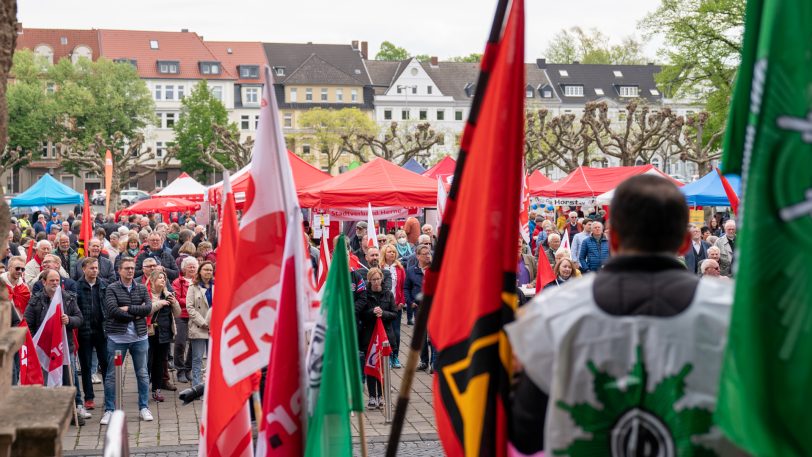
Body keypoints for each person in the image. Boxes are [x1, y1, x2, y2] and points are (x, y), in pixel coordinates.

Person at [506, 174, 733, 455]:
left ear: (612, 237)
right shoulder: (732, 314)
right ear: (685, 242)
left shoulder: (554, 313)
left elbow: (524, 432)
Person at [25, 269, 87, 425]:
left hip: (65, 348)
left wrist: (69, 320)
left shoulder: (68, 298)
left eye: (57, 280)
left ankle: (71, 412)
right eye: (51, 280)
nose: (55, 283)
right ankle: (48, 415)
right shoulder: (35, 300)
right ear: (44, 282)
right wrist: (37, 341)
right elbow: (27, 323)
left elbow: (79, 319)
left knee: (68, 382)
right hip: (44, 350)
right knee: (47, 384)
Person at [100, 257, 154, 425]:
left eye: (132, 268)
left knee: (143, 373)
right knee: (113, 375)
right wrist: (137, 314)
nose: (130, 271)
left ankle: (144, 407)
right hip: (118, 340)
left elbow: (148, 308)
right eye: (127, 268)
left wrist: (130, 309)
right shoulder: (111, 288)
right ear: (119, 270)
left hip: (139, 338)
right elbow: (113, 311)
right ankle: (110, 409)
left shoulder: (141, 288)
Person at [357, 267, 397, 409]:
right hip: (369, 336)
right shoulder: (365, 294)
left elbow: (394, 314)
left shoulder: (388, 294)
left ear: (381, 279)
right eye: (373, 279)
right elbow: (361, 314)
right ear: (369, 280)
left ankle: (381, 395)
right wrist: (372, 312)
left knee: (383, 367)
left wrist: (383, 313)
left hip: (384, 335)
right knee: (370, 367)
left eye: (378, 279)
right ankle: (372, 396)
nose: (376, 282)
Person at [75, 257, 108, 411]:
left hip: (102, 331)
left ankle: (110, 395)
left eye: (96, 268)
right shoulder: (77, 286)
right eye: (91, 268)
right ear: (84, 269)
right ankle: (89, 397)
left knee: (106, 365)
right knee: (86, 366)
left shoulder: (103, 285)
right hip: (85, 331)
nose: (95, 270)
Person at [146, 270, 181, 402]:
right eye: (160, 278)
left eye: (164, 278)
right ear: (153, 280)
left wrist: (174, 302)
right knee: (148, 362)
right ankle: (144, 388)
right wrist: (159, 304)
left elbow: (177, 314)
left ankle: (157, 389)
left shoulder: (168, 294)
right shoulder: (147, 294)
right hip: (150, 333)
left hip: (165, 333)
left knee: (160, 363)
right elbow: (146, 310)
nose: (163, 280)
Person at [404, 244, 435, 371]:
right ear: (417, 256)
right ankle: (424, 361)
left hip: (433, 307)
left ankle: (434, 362)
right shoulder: (411, 270)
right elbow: (406, 288)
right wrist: (410, 302)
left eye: (429, 253)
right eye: (425, 254)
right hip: (418, 308)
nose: (428, 255)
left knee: (433, 335)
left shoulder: (434, 269)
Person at [186, 261, 214, 386]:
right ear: (200, 272)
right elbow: (190, 308)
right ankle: (196, 386)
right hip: (199, 327)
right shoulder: (193, 287)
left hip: (214, 327)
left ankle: (210, 386)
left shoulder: (218, 286)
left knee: (212, 359)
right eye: (205, 269)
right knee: (197, 358)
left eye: (210, 270)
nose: (208, 272)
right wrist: (203, 323)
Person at [172, 256, 198, 384]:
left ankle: (188, 369)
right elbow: (177, 298)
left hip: (196, 316)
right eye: (190, 266)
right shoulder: (178, 282)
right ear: (184, 268)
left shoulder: (199, 281)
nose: (192, 269)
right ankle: (180, 369)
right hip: (181, 315)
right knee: (180, 342)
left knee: (194, 344)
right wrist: (191, 302)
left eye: (194, 266)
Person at [380, 244, 406, 368]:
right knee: (385, 332)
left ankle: (395, 356)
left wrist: (402, 301)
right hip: (383, 306)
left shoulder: (400, 269)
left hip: (396, 305)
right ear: (384, 253)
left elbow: (403, 286)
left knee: (396, 332)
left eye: (394, 252)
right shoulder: (380, 267)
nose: (392, 254)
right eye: (389, 252)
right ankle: (387, 356)